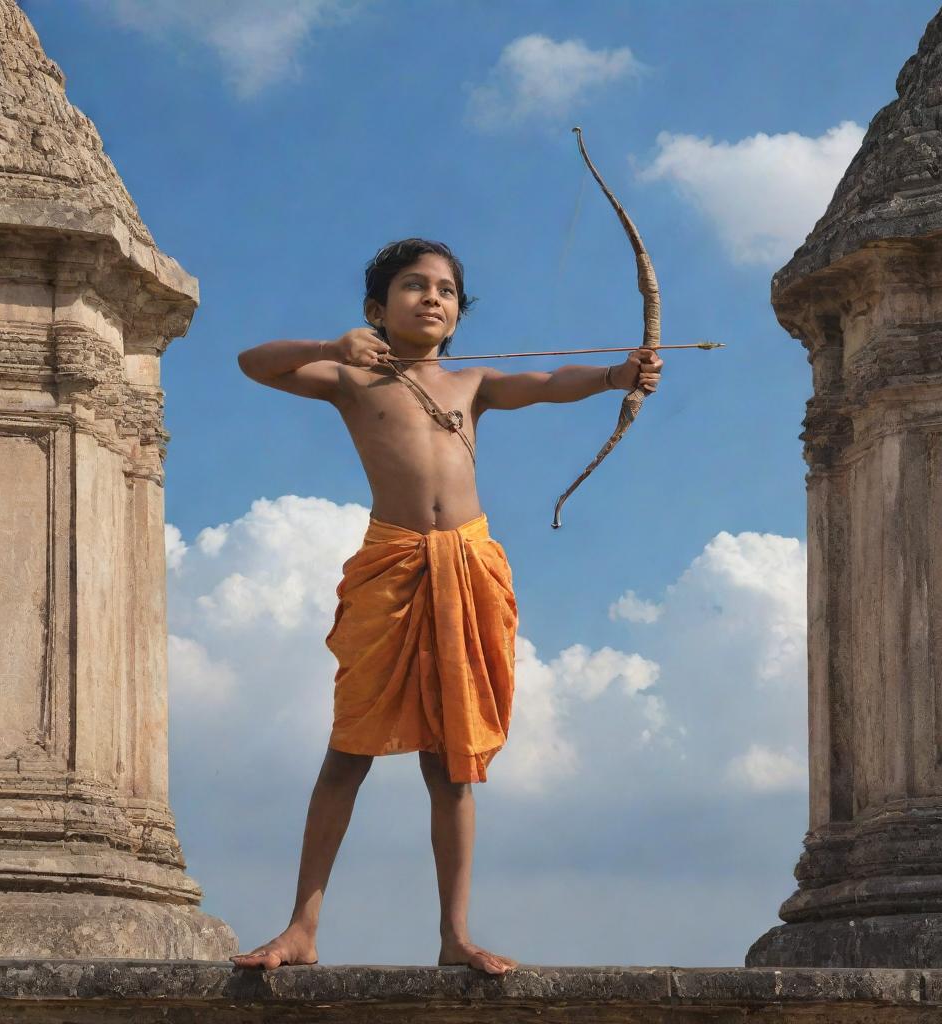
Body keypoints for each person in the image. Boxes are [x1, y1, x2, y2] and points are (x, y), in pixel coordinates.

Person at [229, 238, 663, 975]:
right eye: (412, 286)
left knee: (451, 766)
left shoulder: (473, 385)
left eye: (446, 291)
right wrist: (330, 345)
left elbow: (554, 381)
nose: (431, 298)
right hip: (393, 565)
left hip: (465, 563)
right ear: (376, 310)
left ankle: (454, 935)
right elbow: (254, 363)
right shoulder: (348, 377)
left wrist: (621, 373)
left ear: (457, 315)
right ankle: (301, 928)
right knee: (348, 751)